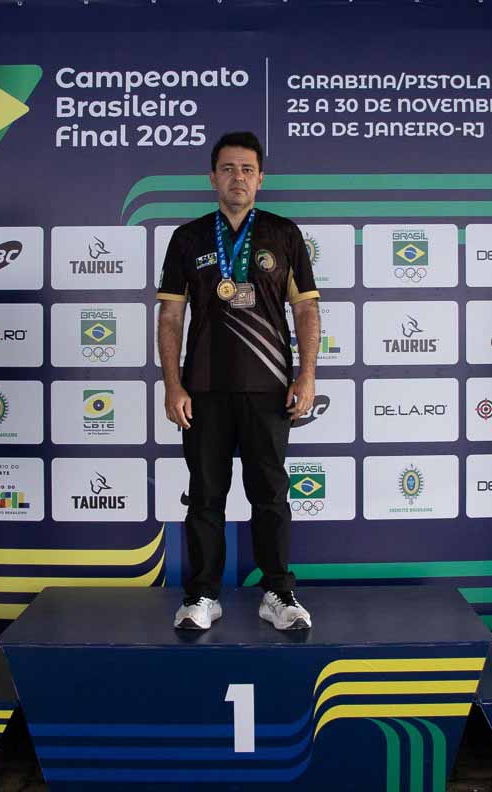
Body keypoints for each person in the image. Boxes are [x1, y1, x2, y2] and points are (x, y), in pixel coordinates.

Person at [156, 131, 321, 631]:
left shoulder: (283, 234)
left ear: (261, 179)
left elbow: (305, 310)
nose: (237, 178)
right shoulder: (187, 239)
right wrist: (172, 385)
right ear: (212, 178)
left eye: (247, 169)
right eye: (228, 169)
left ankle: (278, 592)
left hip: (268, 389)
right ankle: (203, 595)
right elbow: (170, 318)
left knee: (270, 493)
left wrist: (307, 375)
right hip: (203, 390)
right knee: (206, 495)